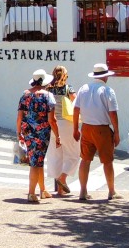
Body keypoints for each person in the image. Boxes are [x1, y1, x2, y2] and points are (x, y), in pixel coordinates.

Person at [73, 62, 123, 201]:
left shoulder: (84, 88)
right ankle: (111, 191)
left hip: (86, 127)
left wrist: (75, 128)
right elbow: (113, 113)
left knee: (85, 160)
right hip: (102, 129)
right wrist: (117, 132)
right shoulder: (107, 90)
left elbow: (76, 109)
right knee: (107, 161)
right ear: (106, 76)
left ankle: (83, 191)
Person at [17, 68, 59, 203]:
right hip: (42, 133)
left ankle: (43, 190)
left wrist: (19, 133)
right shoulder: (48, 96)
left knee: (37, 160)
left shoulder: (25, 95)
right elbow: (52, 119)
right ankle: (31, 193)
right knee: (35, 163)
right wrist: (58, 136)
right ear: (44, 82)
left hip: (27, 131)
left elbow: (19, 117)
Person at [45, 64, 80, 196]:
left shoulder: (48, 88)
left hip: (51, 124)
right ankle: (62, 178)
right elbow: (76, 102)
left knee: (56, 155)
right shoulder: (68, 88)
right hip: (66, 123)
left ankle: (60, 189)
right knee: (73, 153)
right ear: (65, 75)